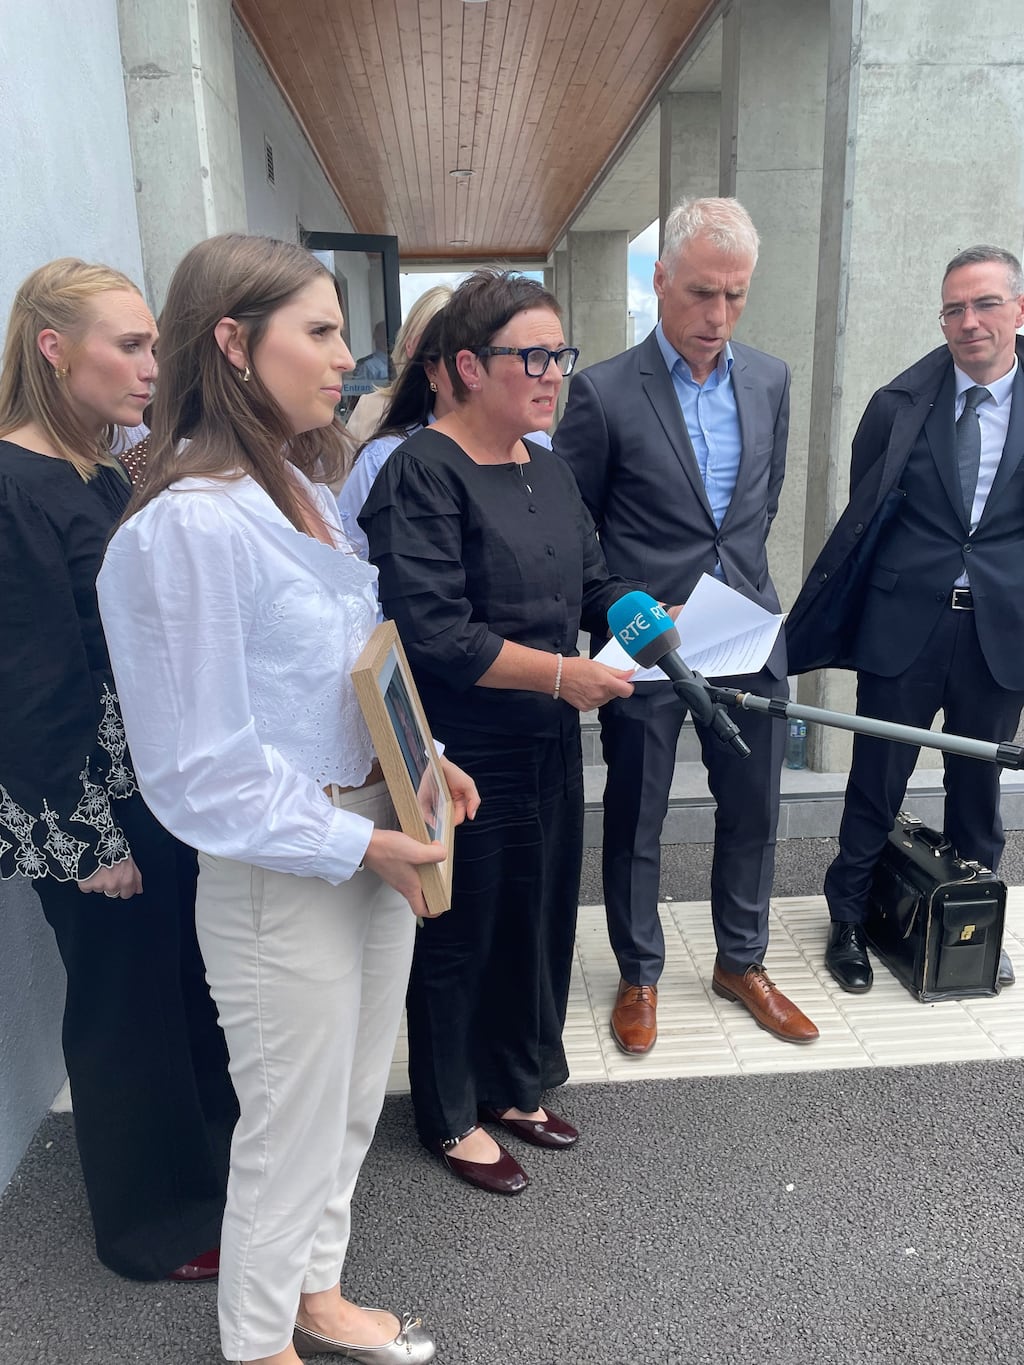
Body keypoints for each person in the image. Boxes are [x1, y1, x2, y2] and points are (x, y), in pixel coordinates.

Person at [97, 234, 478, 1365]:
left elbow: (340, 672)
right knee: (289, 1121)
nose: (346, 355)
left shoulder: (306, 493)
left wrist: (423, 757)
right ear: (232, 342)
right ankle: (258, 1340)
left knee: (351, 1099)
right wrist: (355, 842)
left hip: (370, 832)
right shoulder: (184, 530)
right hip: (283, 865)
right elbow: (197, 764)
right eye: (316, 331)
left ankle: (315, 1289)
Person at [360, 268, 637, 1197]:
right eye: (534, 355)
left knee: (542, 915)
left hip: (552, 741)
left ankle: (516, 1083)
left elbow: (592, 583)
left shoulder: (545, 464)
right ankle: (449, 1111)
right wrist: (562, 674)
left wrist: (650, 615)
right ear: (468, 366)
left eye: (561, 353)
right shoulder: (421, 473)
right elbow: (437, 634)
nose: (554, 372)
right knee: (462, 931)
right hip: (464, 751)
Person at [0, 258, 237, 1281]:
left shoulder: (99, 471)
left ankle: (211, 1181)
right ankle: (151, 1227)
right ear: (54, 349)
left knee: (177, 988)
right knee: (121, 1010)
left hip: (157, 788)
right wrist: (88, 841)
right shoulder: (14, 486)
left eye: (152, 346)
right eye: (128, 346)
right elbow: (28, 684)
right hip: (91, 801)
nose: (152, 367)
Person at [555, 196, 820, 1052]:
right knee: (637, 812)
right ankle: (639, 972)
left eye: (736, 296)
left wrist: (729, 583)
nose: (719, 315)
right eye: (703, 293)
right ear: (659, 280)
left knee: (755, 806)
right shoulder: (599, 392)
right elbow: (576, 527)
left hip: (743, 624)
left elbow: (757, 505)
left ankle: (741, 959)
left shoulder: (772, 379)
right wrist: (632, 608)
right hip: (649, 637)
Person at [786, 244, 1024, 994]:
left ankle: (973, 923)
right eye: (954, 307)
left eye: (985, 303)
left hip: (999, 630)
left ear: (1019, 310)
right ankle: (849, 918)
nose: (968, 321)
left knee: (978, 787)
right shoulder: (901, 402)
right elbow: (868, 507)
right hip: (906, 624)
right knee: (876, 778)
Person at [338, 306, 551, 559]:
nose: (471, 374)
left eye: (482, 361)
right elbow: (352, 559)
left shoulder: (537, 447)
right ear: (431, 371)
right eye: (460, 362)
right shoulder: (384, 458)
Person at [344, 285, 451, 445]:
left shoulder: (478, 412)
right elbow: (347, 468)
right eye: (431, 340)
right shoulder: (372, 408)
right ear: (410, 344)